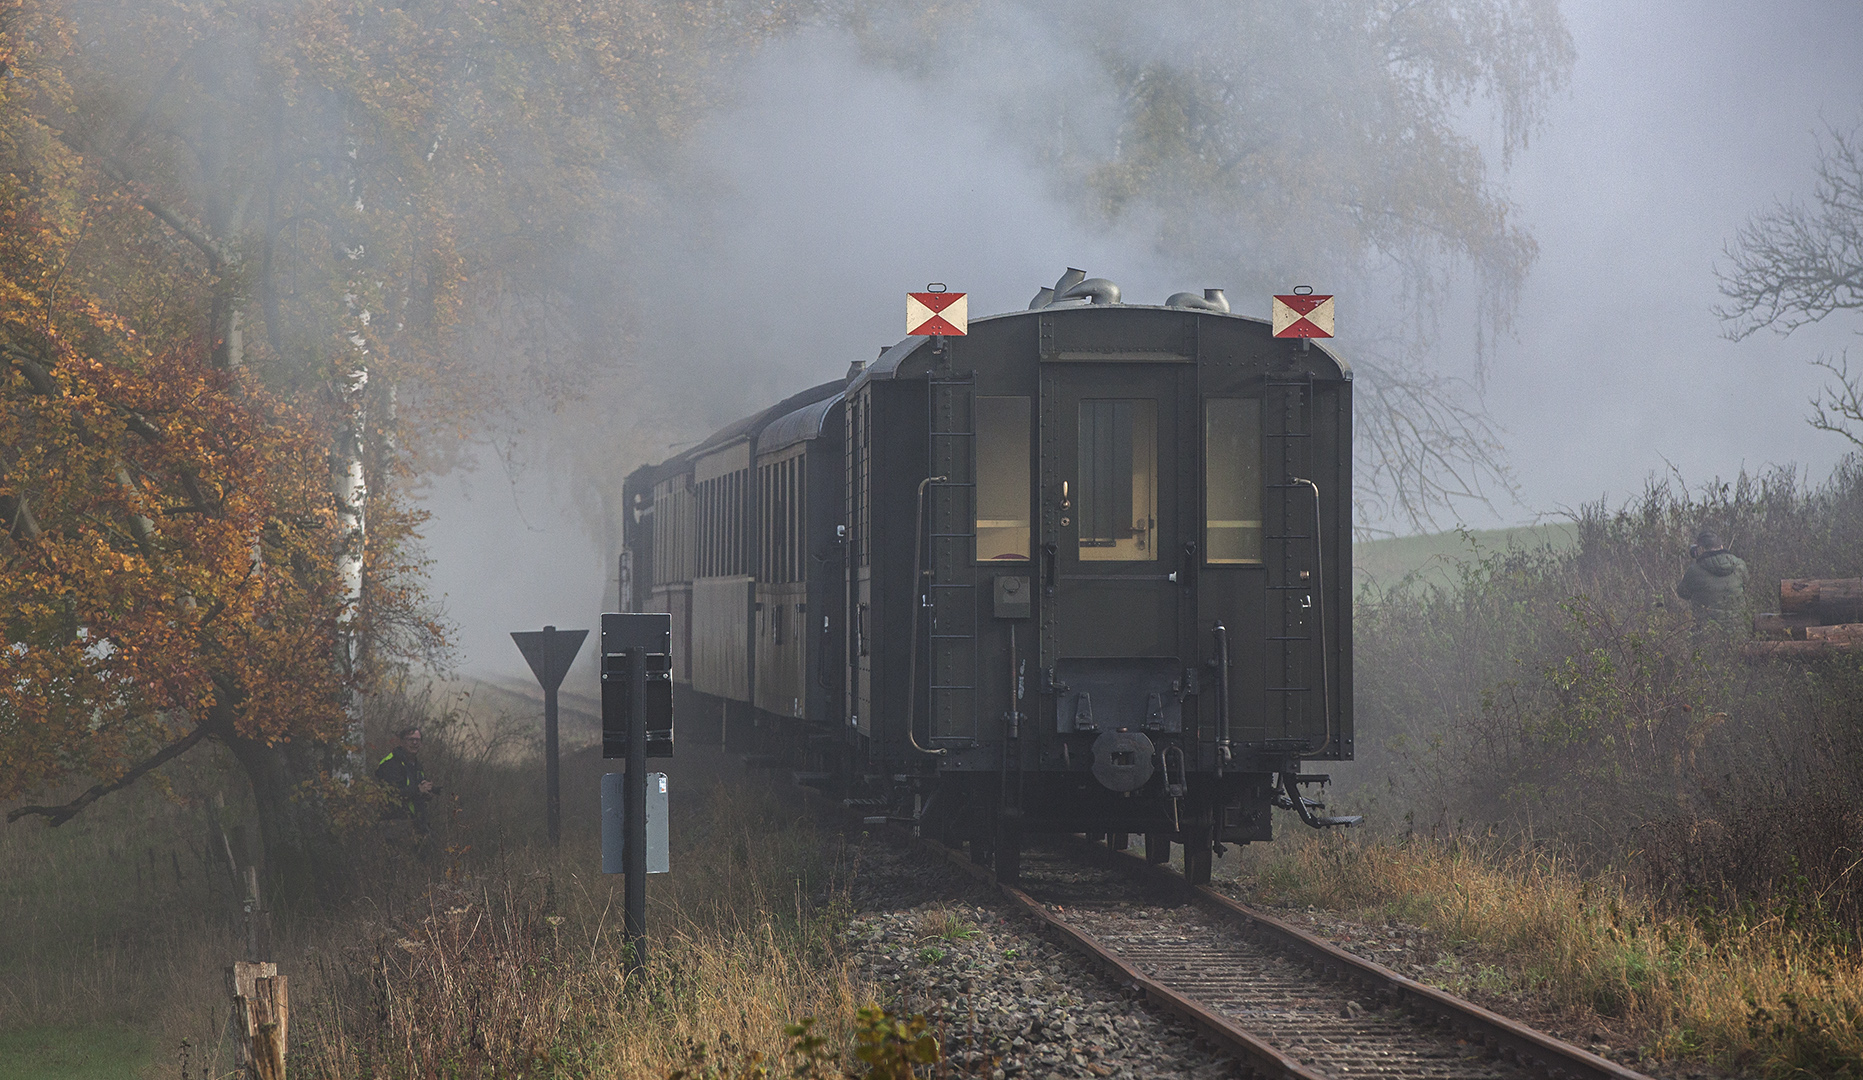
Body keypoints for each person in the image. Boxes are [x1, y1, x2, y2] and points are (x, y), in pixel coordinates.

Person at [1675, 525, 1749, 625]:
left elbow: (1682, 593)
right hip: (1739, 629)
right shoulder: (1740, 564)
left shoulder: (1694, 570)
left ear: (1701, 549)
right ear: (1721, 546)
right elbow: (1747, 586)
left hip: (1707, 633)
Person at [375, 726, 435, 836]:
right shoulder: (391, 764)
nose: (415, 743)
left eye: (418, 740)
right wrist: (418, 790)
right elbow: (392, 794)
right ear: (402, 742)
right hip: (394, 825)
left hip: (416, 824)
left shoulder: (417, 765)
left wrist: (427, 792)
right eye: (411, 739)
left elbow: (415, 791)